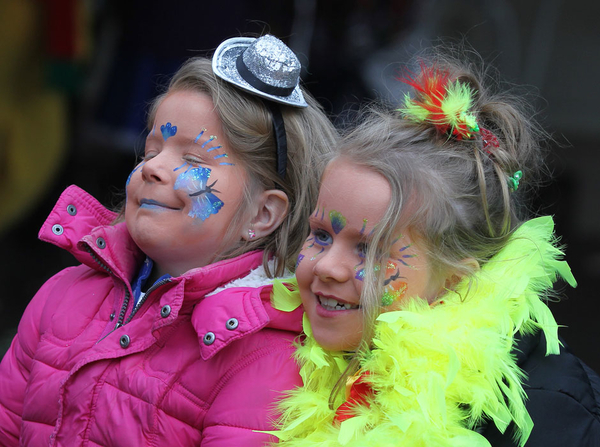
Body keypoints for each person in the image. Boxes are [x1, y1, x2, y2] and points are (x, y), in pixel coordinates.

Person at [0, 34, 337, 446]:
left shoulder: (264, 358)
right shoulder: (63, 295)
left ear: (262, 213)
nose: (153, 168)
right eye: (151, 149)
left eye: (192, 160)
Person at [269, 52, 600, 446]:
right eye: (321, 234)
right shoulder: (285, 350)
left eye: (370, 250)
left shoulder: (544, 413)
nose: (327, 266)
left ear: (456, 279)